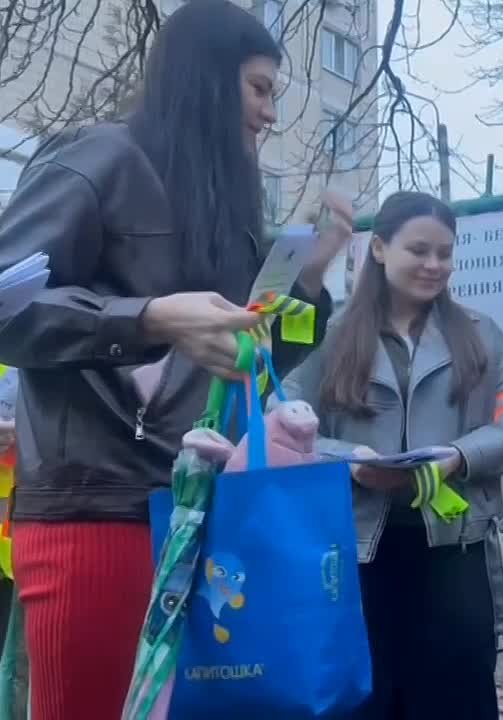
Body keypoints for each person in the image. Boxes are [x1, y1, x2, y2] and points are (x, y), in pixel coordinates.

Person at [0, 1, 350, 717]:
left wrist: (308, 279)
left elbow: (245, 355)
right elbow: (8, 304)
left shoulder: (225, 197)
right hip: (96, 513)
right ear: (205, 81)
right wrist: (152, 317)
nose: (270, 114)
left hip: (201, 510)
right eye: (259, 89)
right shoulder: (98, 157)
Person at [281, 190, 503, 720]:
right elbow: (280, 421)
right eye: (419, 250)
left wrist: (457, 455)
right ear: (378, 248)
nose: (435, 265)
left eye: (446, 253)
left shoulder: (480, 335)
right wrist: (348, 459)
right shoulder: (332, 339)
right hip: (355, 562)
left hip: (456, 556)